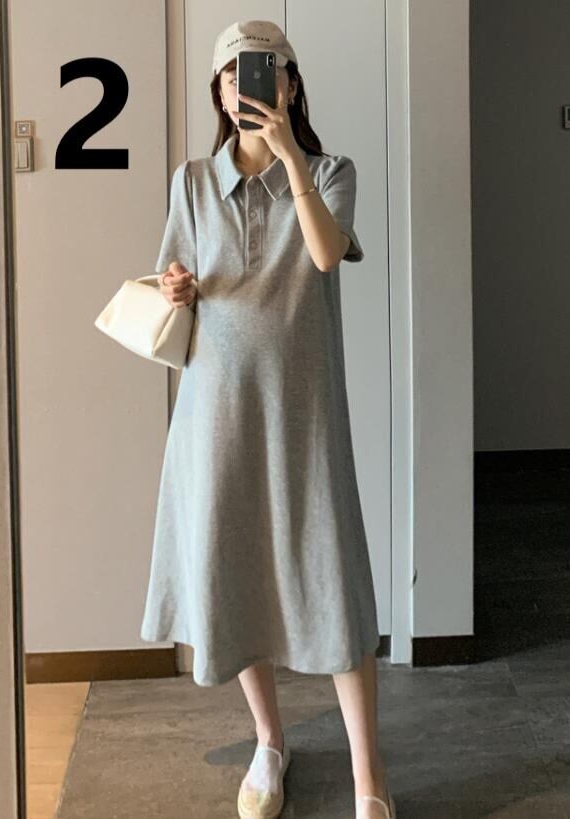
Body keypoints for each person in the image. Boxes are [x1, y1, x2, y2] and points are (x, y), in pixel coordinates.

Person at [140, 19, 396, 819]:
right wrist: (175, 285)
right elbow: (171, 279)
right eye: (229, 75)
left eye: (260, 70)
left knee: (334, 584)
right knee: (234, 574)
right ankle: (268, 741)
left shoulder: (330, 171)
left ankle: (368, 776)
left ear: (288, 83)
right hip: (215, 414)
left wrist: (289, 157)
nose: (242, 85)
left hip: (304, 416)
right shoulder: (191, 182)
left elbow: (323, 254)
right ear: (218, 93)